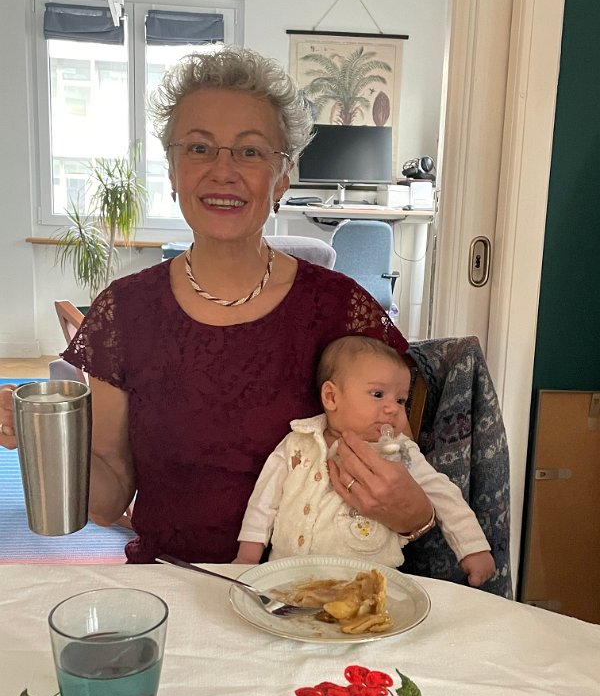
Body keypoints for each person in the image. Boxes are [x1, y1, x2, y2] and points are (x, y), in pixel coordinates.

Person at [0, 47, 434, 564]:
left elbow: (402, 472)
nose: (223, 171)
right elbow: (109, 500)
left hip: (312, 594)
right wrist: (42, 440)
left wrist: (416, 514)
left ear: (283, 178)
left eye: (250, 152)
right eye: (199, 148)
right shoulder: (124, 313)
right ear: (172, 171)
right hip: (176, 586)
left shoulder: (343, 311)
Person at [235, 336, 496, 587]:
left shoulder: (400, 451)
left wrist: (473, 548)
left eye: (401, 400)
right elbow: (265, 500)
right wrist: (248, 556)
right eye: (378, 394)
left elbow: (443, 494)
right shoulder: (297, 442)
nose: (393, 408)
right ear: (331, 397)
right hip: (286, 578)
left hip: (367, 585)